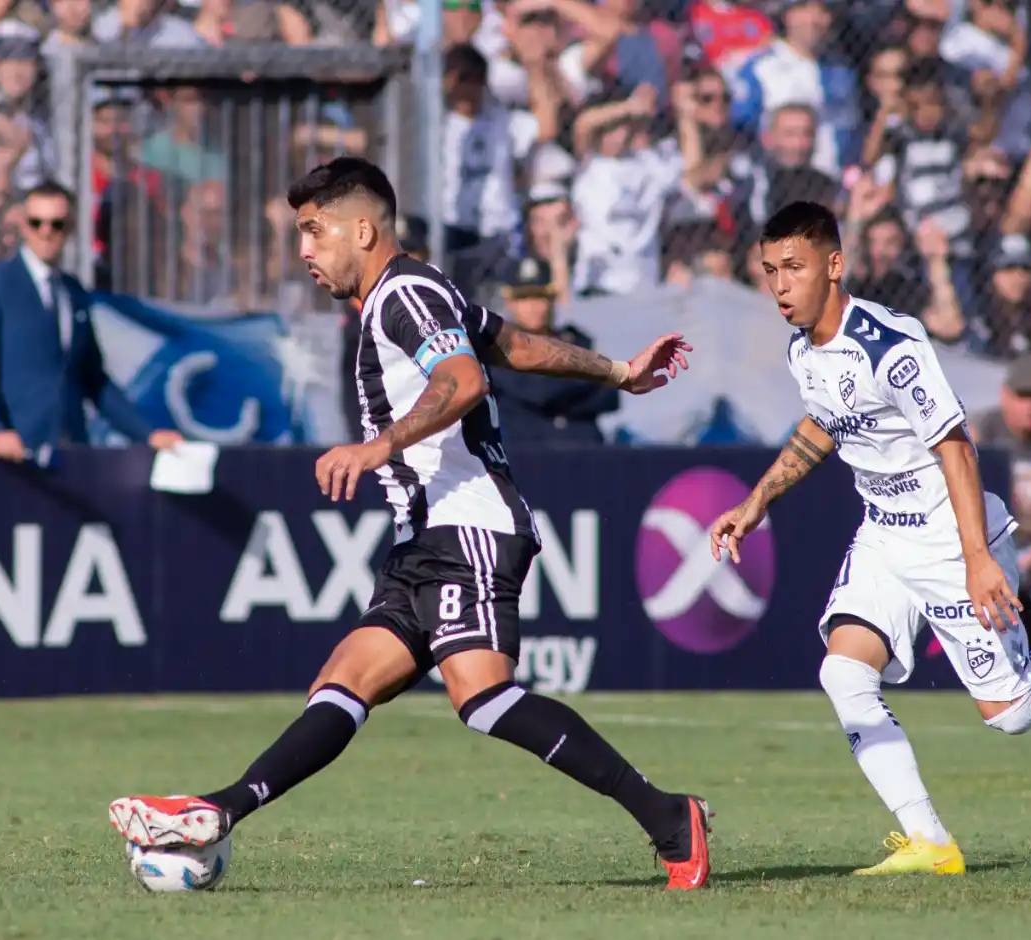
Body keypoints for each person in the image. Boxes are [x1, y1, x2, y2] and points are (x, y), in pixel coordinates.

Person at [107, 157, 712, 891]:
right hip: (422, 538)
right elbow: (510, 345)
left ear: (362, 230)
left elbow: (464, 379)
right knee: (343, 680)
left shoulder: (406, 293)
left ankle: (671, 817)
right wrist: (617, 370)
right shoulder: (418, 292)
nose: (303, 250)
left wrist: (380, 443)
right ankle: (220, 809)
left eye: (314, 230)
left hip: (470, 527)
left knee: (483, 696)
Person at [709, 201, 1031, 876]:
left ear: (834, 265)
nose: (780, 285)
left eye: (794, 267)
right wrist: (757, 499)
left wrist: (979, 559)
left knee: (1012, 712)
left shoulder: (891, 344)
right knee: (843, 672)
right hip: (883, 537)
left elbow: (955, 448)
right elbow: (824, 423)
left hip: (950, 538)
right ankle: (929, 841)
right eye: (769, 271)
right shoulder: (801, 349)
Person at [0, 181, 182, 462]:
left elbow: (92, 377)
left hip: (67, 452)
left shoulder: (72, 292)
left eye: (57, 224)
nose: (46, 233)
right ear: (24, 227)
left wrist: (147, 434)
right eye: (36, 222)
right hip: (11, 455)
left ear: (70, 227)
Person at [487, 255, 619, 446]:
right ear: (510, 303)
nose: (533, 306)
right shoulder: (499, 347)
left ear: (552, 298)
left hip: (581, 449)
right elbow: (539, 392)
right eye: (524, 298)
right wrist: (582, 380)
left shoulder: (577, 341)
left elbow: (610, 394)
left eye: (539, 296)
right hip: (525, 453)